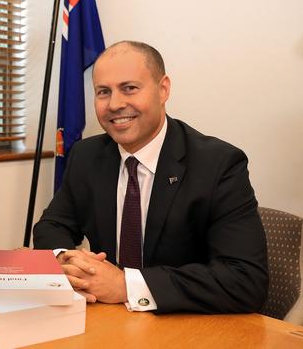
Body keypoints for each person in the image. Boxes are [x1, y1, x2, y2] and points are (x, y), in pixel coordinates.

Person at [33, 41, 268, 314]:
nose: (114, 104)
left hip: (185, 325)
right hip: (108, 320)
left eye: (129, 88)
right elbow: (52, 225)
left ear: (163, 89)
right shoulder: (87, 155)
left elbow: (246, 281)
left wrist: (125, 285)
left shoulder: (218, 164)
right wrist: (66, 260)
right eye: (103, 92)